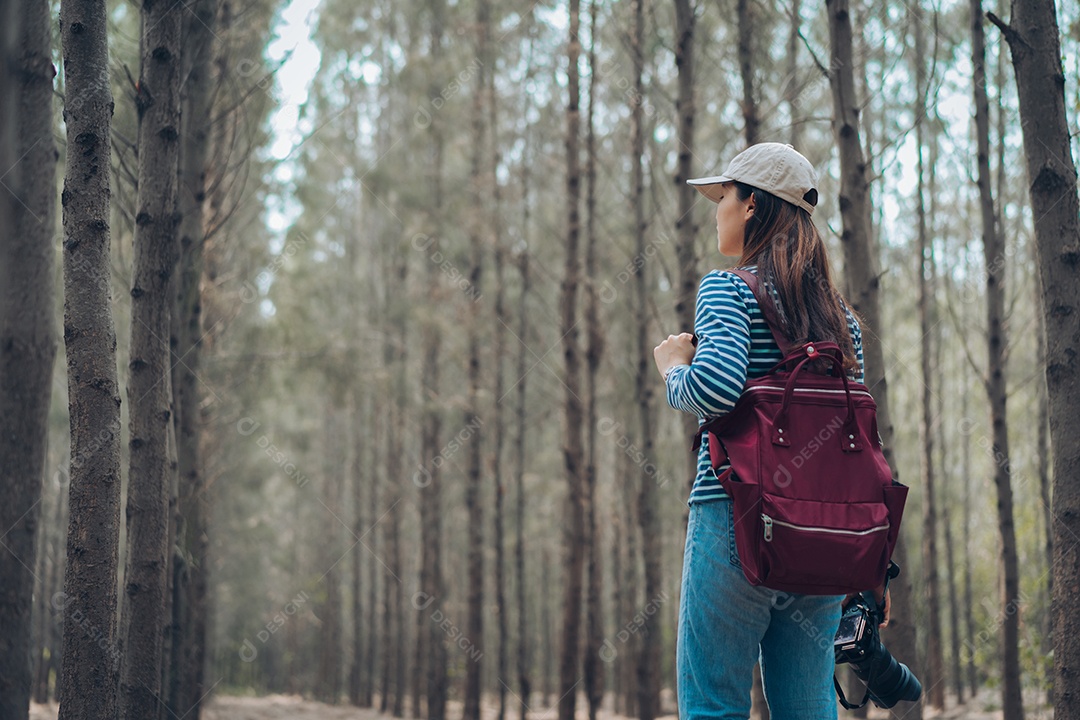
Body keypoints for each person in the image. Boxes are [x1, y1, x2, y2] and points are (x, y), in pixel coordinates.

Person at [653, 142, 889, 719]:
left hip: (734, 516)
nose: (717, 210)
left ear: (752, 204)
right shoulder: (842, 319)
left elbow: (715, 389)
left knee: (714, 706)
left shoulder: (728, 289)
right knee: (808, 710)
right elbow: (855, 437)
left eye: (724, 196)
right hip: (820, 535)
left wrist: (673, 367)